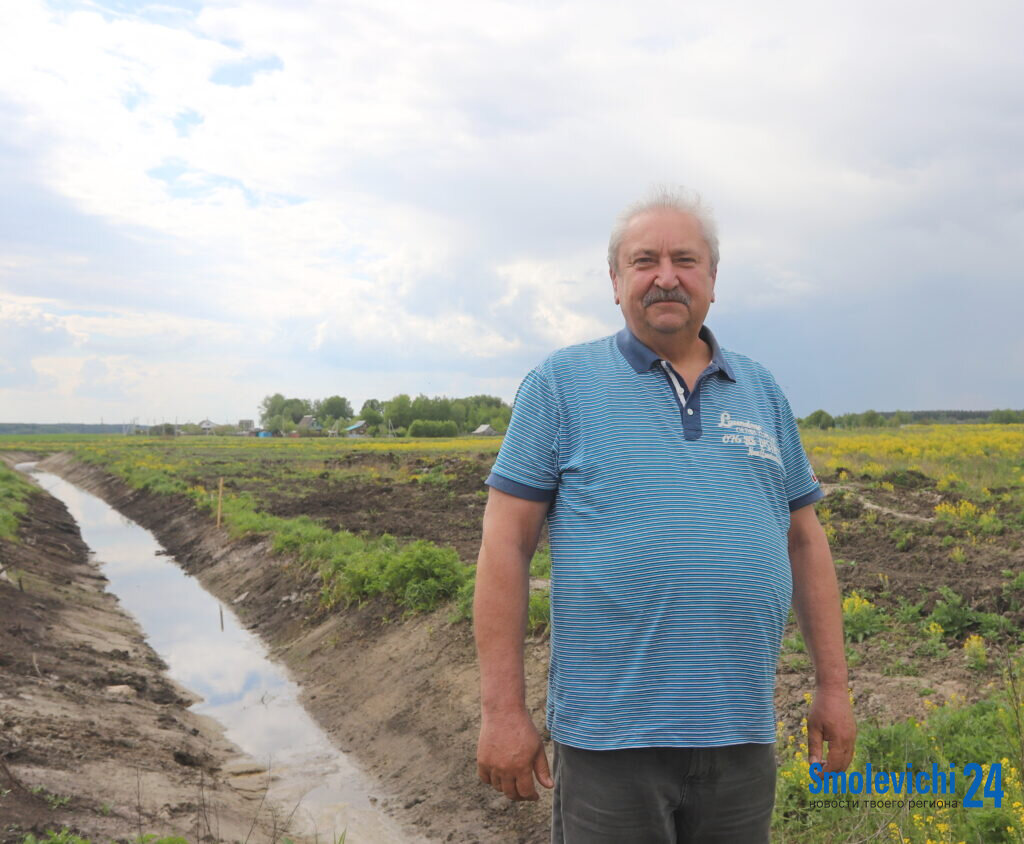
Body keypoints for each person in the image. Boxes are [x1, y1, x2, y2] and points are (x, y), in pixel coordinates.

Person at [474, 188, 855, 842]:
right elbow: (504, 546)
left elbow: (805, 542)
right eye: (644, 260)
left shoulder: (761, 390)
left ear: (712, 279)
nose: (666, 276)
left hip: (740, 736)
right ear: (615, 281)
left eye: (686, 259)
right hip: (609, 744)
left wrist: (835, 688)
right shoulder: (559, 385)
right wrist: (501, 710)